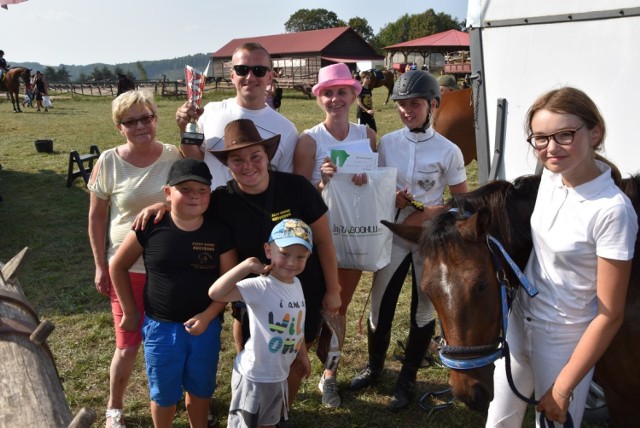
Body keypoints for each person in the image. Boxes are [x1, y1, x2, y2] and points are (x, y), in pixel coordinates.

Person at [134, 119, 341, 412]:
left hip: (301, 290)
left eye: (255, 156)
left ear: (267, 156)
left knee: (294, 353)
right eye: (237, 160)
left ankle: (282, 412)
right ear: (228, 165)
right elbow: (190, 206)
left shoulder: (296, 188)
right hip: (251, 296)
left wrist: (333, 289)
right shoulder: (222, 200)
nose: (248, 166)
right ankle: (250, 406)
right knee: (252, 356)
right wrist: (162, 207)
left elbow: (323, 242)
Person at [486, 87, 638, 427]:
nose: (551, 148)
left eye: (564, 135)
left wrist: (564, 386)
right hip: (520, 324)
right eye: (540, 138)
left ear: (595, 132)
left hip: (563, 339)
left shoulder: (613, 211)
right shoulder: (552, 177)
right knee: (499, 423)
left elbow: (610, 315)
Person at [350, 70, 469, 412]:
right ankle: (374, 368)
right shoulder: (388, 143)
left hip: (429, 240)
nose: (406, 111)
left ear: (432, 105)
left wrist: (436, 209)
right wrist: (391, 195)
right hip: (394, 233)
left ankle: (407, 379)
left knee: (422, 310)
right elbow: (376, 185)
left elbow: (463, 201)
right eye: (401, 105)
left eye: (413, 104)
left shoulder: (449, 151)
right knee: (379, 307)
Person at [109, 158, 235, 428]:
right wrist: (131, 312)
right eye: (185, 189)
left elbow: (228, 283)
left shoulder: (219, 232)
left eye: (202, 190)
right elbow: (117, 266)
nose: (194, 196)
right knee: (164, 394)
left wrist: (208, 315)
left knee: (201, 391)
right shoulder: (150, 226)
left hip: (205, 328)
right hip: (160, 328)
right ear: (168, 193)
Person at [87, 90, 183, 428]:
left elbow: (192, 198)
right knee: (127, 341)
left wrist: (165, 205)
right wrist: (100, 265)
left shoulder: (173, 155)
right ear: (119, 127)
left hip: (171, 268)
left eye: (147, 118)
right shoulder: (109, 162)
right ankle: (115, 407)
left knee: (174, 339)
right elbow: (97, 218)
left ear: (156, 118)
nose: (141, 125)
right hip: (126, 268)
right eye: (132, 121)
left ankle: (181, 395)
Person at [294, 62, 376, 407]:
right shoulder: (309, 140)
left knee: (337, 310)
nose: (335, 98)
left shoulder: (367, 137)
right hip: (316, 241)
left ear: (354, 94)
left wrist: (368, 179)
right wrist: (323, 182)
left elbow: (378, 188)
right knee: (308, 311)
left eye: (342, 91)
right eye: (328, 92)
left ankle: (330, 376)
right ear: (319, 98)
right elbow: (297, 197)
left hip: (353, 235)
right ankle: (294, 371)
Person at [209, 218, 313, 427]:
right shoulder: (260, 286)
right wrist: (246, 266)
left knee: (269, 423)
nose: (292, 263)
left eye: (300, 257)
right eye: (284, 254)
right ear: (268, 251)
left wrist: (302, 355)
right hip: (254, 377)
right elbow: (216, 292)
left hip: (279, 376)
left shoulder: (297, 283)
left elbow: (296, 326)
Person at [177, 42, 298, 190]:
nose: (250, 77)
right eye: (242, 69)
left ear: (270, 76)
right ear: (232, 75)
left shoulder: (286, 129)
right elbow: (195, 161)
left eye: (259, 70)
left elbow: (285, 183)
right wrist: (185, 129)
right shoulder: (209, 112)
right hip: (214, 208)